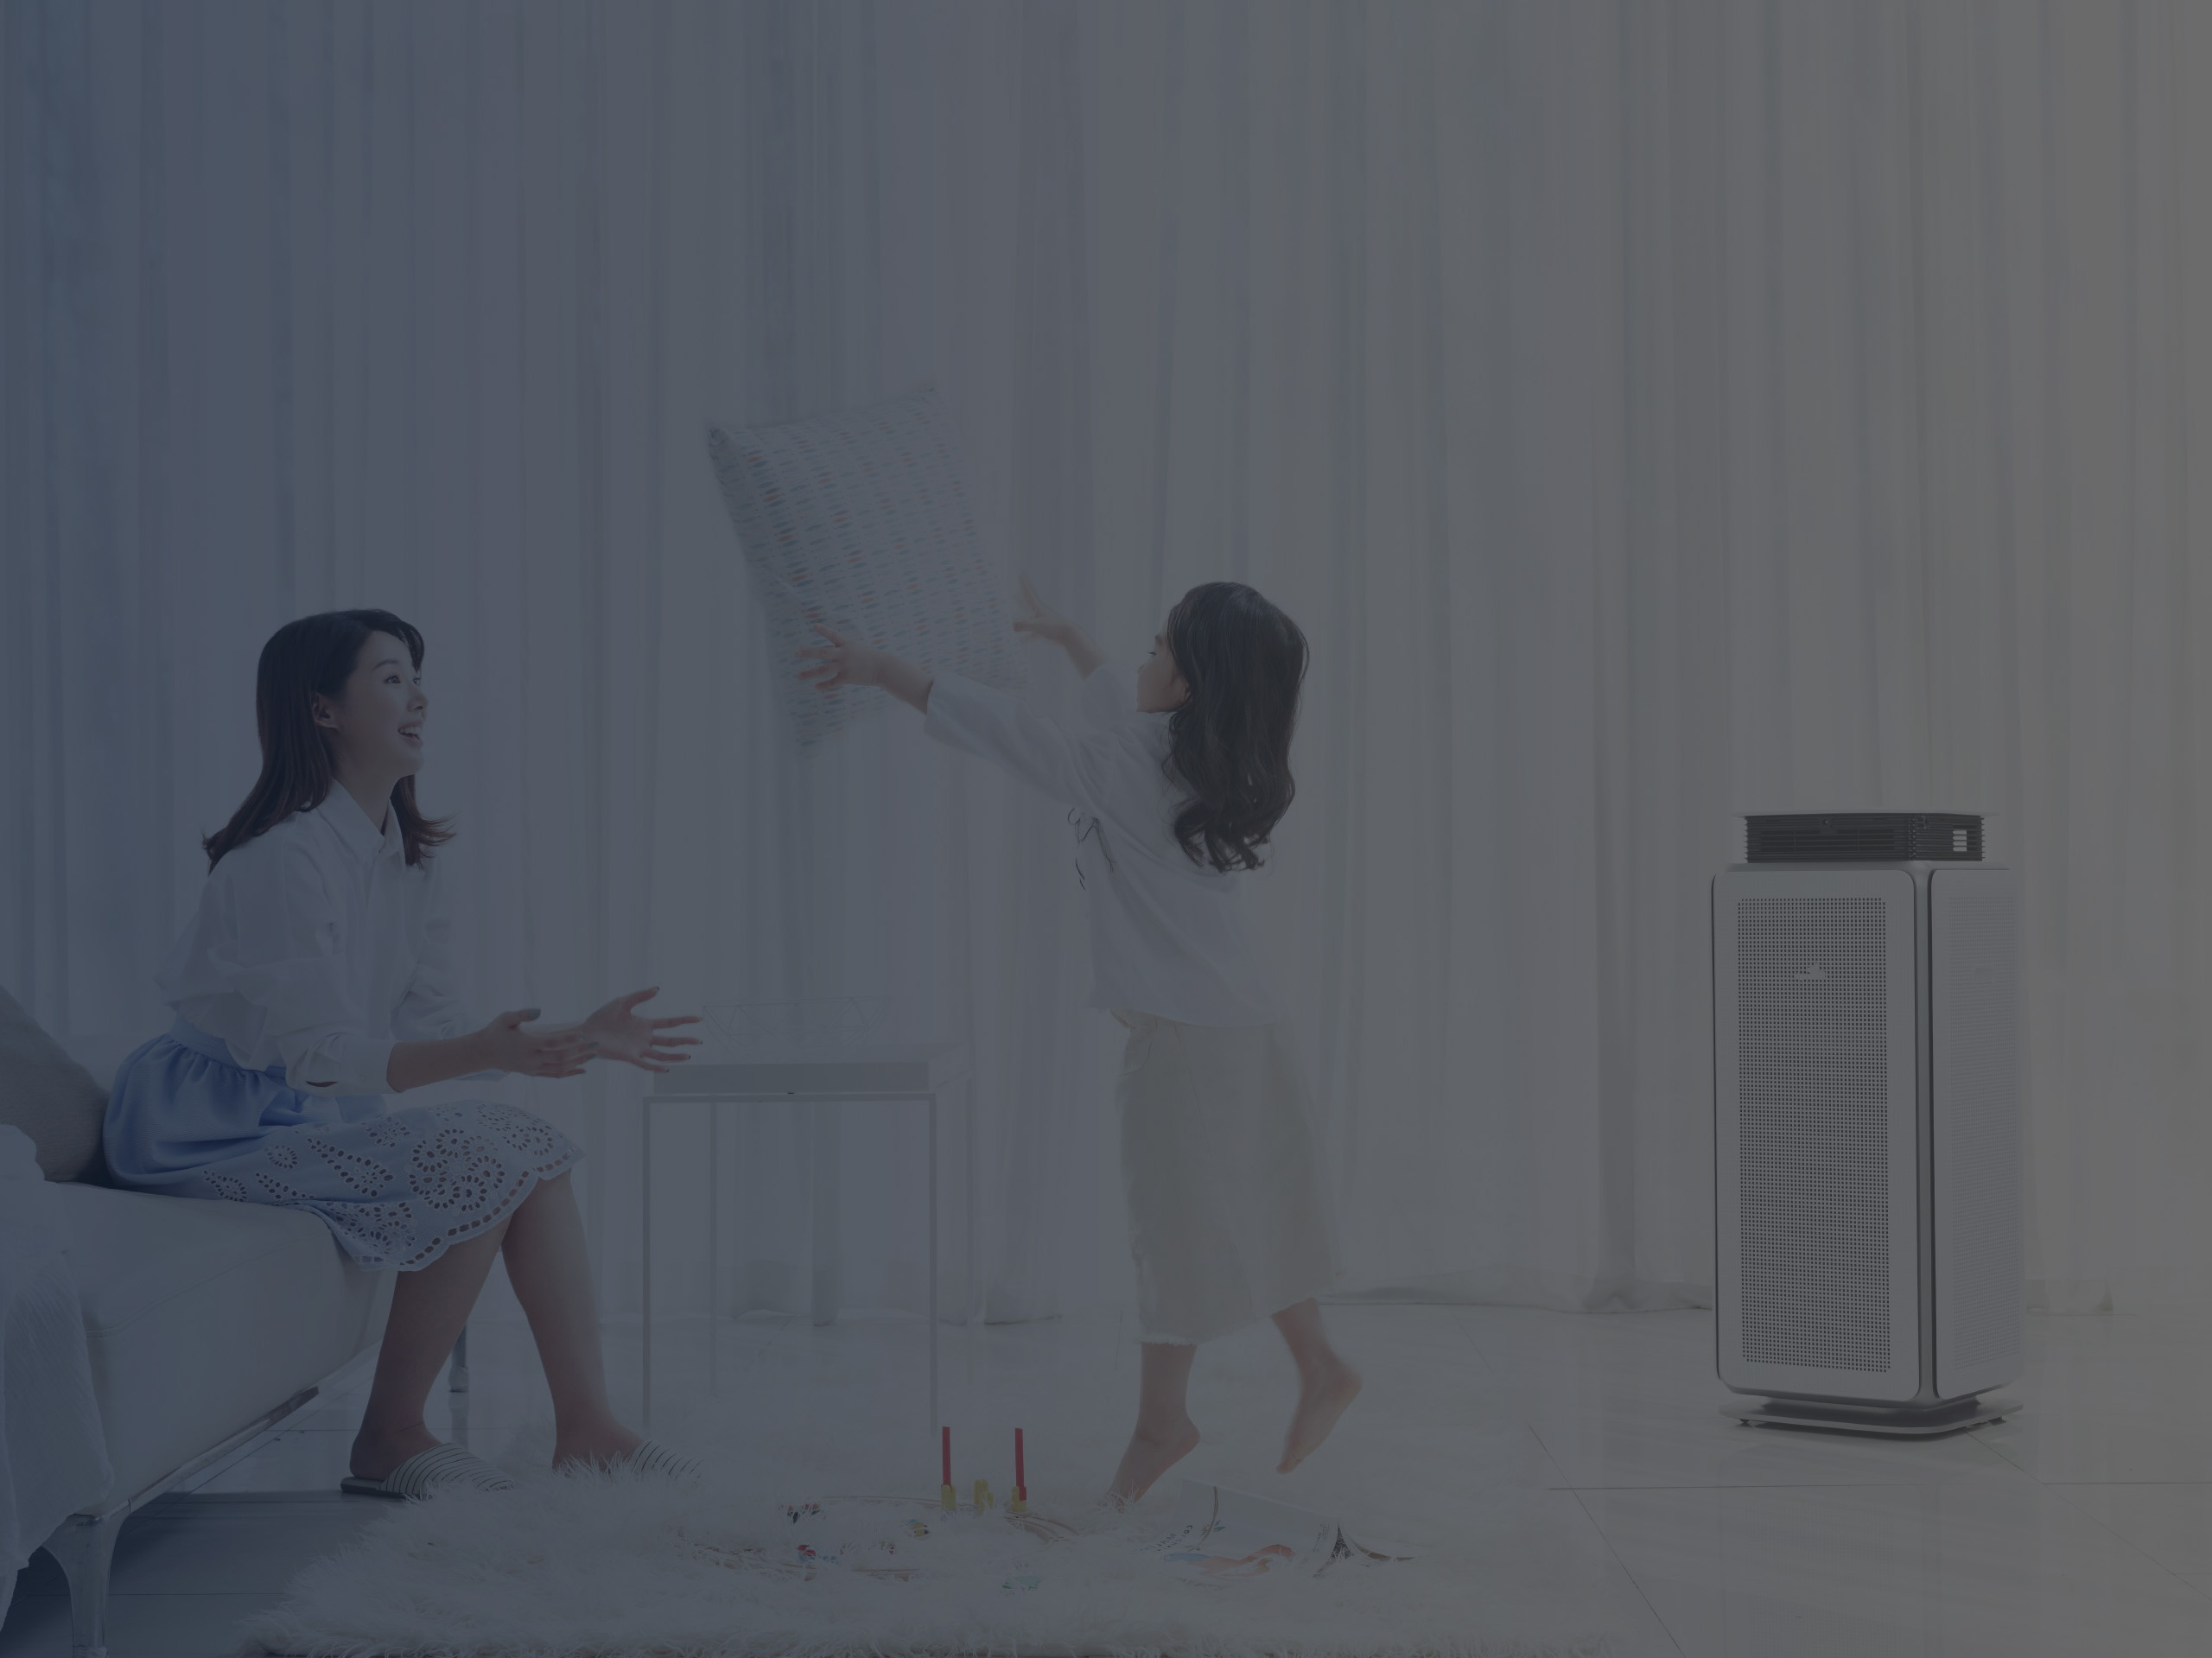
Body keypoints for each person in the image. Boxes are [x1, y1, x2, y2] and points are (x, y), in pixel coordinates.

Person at [104, 609, 700, 1498]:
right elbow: (320, 1058)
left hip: (300, 1110)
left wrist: (580, 1035)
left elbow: (445, 1027)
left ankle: (588, 1427)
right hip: (205, 1126)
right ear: (323, 709)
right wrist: (485, 1050)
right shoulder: (279, 859)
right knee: (487, 1149)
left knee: (526, 1151)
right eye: (391, 677)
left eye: (416, 675)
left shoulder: (406, 859)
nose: (419, 696)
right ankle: (388, 1434)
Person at [796, 575, 1361, 1507]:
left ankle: (1161, 1426)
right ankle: (1320, 1363)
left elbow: (1018, 735)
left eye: (1158, 648)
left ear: (1188, 683)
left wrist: (883, 667)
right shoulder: (1205, 761)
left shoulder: (1131, 765)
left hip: (1182, 1038)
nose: (1140, 662)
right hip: (1245, 1021)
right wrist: (1075, 643)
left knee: (1174, 1234)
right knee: (1254, 1200)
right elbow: (1123, 707)